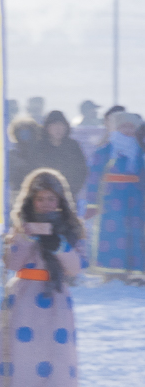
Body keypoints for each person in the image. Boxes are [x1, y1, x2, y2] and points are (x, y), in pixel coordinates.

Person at [0, 169, 85, 387]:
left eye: (51, 198)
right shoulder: (21, 229)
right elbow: (11, 262)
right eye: (40, 199)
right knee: (22, 356)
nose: (46, 204)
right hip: (25, 297)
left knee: (54, 356)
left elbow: (77, 267)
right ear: (30, 201)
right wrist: (26, 236)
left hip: (56, 298)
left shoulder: (71, 231)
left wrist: (59, 246)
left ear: (60, 200)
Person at [82, 111, 144, 279]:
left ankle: (134, 270)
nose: (128, 130)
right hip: (112, 197)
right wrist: (92, 202)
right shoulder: (107, 149)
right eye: (124, 126)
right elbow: (94, 176)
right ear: (116, 128)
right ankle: (110, 270)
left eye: (131, 126)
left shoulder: (139, 150)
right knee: (113, 232)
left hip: (135, 198)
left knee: (134, 232)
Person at [31, 110, 89, 205]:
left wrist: (70, 191)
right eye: (54, 125)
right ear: (47, 128)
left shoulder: (73, 146)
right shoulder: (39, 147)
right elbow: (34, 171)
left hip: (68, 198)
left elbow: (82, 170)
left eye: (61, 125)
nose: (58, 129)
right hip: (43, 198)